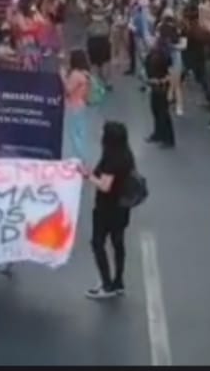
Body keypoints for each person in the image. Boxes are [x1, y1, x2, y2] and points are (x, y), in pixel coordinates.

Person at [81, 121, 136, 300]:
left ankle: (106, 284)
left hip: (106, 208)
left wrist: (88, 176)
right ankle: (118, 281)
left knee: (97, 243)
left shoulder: (111, 159)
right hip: (121, 208)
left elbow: (105, 186)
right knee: (118, 243)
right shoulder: (127, 155)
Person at [145, 35, 176, 148]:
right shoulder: (152, 53)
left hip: (162, 87)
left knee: (163, 113)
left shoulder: (165, 56)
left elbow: (171, 73)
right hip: (154, 86)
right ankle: (158, 134)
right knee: (155, 110)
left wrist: (161, 81)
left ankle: (168, 139)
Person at [61, 49, 92, 161]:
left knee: (74, 134)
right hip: (82, 105)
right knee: (81, 133)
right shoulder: (86, 74)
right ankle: (82, 157)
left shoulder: (75, 75)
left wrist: (63, 77)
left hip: (72, 106)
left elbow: (68, 90)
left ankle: (78, 157)